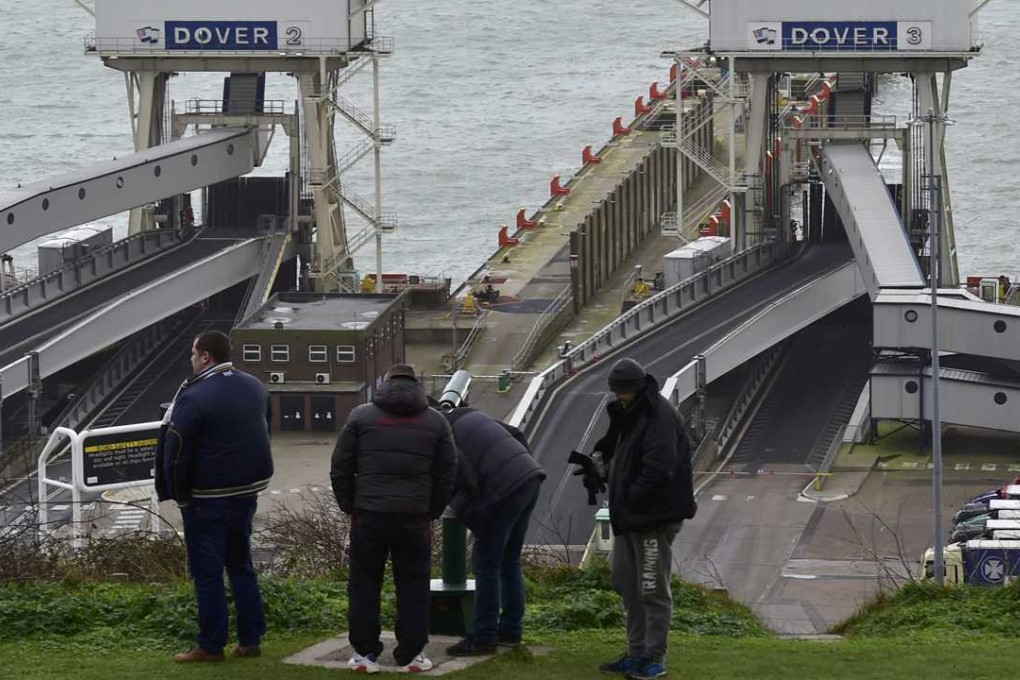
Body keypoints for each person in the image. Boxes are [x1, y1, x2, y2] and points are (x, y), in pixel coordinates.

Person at [155, 330, 274, 663]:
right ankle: (250, 639)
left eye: (193, 354)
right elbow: (266, 427)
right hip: (245, 494)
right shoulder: (254, 385)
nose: (191, 360)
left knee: (207, 572)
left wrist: (179, 496)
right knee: (241, 566)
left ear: (205, 356)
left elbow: (176, 450)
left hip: (206, 498)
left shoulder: (194, 397)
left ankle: (210, 645)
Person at [331, 364, 457, 674]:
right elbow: (447, 474)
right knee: (413, 586)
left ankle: (364, 654)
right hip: (413, 516)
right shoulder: (436, 421)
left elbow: (340, 467)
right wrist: (432, 511)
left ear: (385, 384)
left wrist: (351, 506)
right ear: (417, 385)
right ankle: (412, 655)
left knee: (364, 585)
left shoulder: (361, 416)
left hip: (369, 515)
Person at [589, 358, 696, 680]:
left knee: (652, 588)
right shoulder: (632, 414)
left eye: (622, 392)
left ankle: (654, 657)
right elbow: (628, 458)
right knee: (626, 583)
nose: (618, 398)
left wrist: (631, 496)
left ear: (635, 388)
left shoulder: (658, 416)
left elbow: (658, 469)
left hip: (653, 517)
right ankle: (636, 652)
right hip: (630, 517)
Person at [440, 408, 546, 656]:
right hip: (528, 477)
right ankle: (510, 630)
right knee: (509, 560)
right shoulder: (468, 413)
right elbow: (517, 433)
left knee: (486, 564)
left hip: (502, 489)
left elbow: (463, 471)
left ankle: (483, 637)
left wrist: (473, 507)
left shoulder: (441, 433)